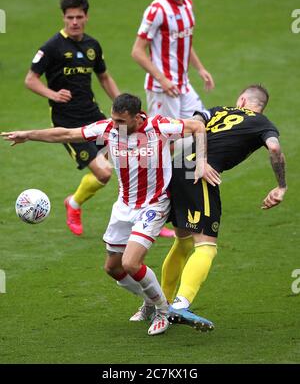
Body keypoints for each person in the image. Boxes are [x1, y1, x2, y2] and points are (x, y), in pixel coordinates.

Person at [1, 93, 219, 336]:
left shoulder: (159, 126)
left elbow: (198, 126)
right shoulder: (108, 129)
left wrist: (201, 162)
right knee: (113, 268)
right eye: (114, 120)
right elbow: (66, 133)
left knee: (130, 262)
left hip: (154, 205)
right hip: (124, 207)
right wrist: (27, 135)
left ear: (137, 117)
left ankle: (162, 310)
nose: (116, 126)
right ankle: (150, 300)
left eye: (121, 121)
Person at [131, 84, 287, 331]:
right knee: (206, 246)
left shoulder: (216, 110)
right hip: (199, 175)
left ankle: (155, 305)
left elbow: (193, 122)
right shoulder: (263, 123)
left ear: (242, 100)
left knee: (183, 242)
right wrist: (281, 186)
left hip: (177, 167)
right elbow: (275, 148)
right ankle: (180, 305)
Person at [131, 0, 215, 238]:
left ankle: (183, 185)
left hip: (183, 85)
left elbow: (185, 43)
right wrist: (162, 78)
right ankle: (151, 204)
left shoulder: (188, 5)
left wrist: (201, 68)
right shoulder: (156, 10)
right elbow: (137, 51)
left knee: (204, 126)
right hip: (161, 88)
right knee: (162, 143)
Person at [24, 0, 120, 236]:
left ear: (86, 17)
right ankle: (74, 204)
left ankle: (144, 217)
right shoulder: (52, 47)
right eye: (70, 17)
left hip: (93, 114)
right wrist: (53, 94)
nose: (74, 22)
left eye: (79, 17)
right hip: (67, 122)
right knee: (104, 172)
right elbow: (30, 80)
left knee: (128, 159)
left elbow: (104, 77)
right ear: (63, 18)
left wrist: (120, 105)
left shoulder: (92, 46)